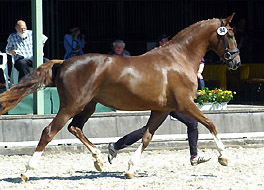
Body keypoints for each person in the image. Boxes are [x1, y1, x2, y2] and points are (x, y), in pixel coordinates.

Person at [107, 35, 210, 166]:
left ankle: (194, 155)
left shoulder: (175, 54)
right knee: (148, 130)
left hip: (172, 101)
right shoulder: (162, 54)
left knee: (191, 123)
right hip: (165, 100)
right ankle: (116, 146)